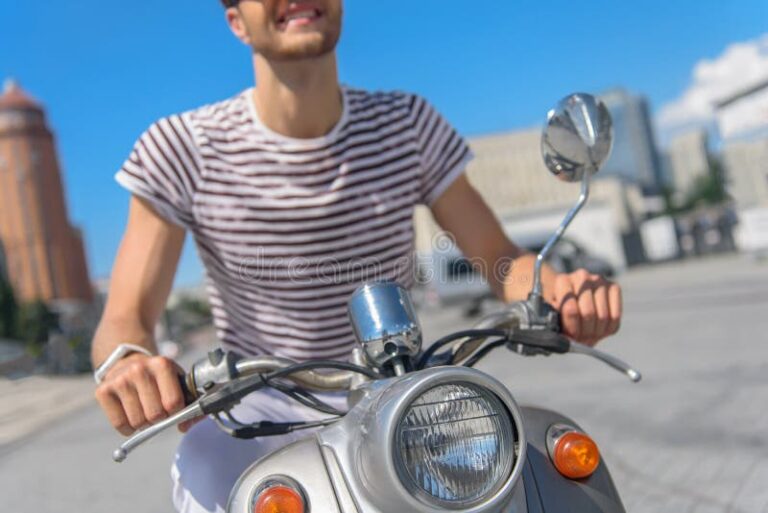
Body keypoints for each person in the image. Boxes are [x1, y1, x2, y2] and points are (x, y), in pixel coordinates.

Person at [91, 1, 623, 511]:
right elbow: (125, 317)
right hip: (257, 410)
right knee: (203, 463)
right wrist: (130, 365)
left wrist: (555, 290)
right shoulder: (182, 147)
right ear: (237, 21)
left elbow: (498, 257)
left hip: (400, 394)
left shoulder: (407, 123)